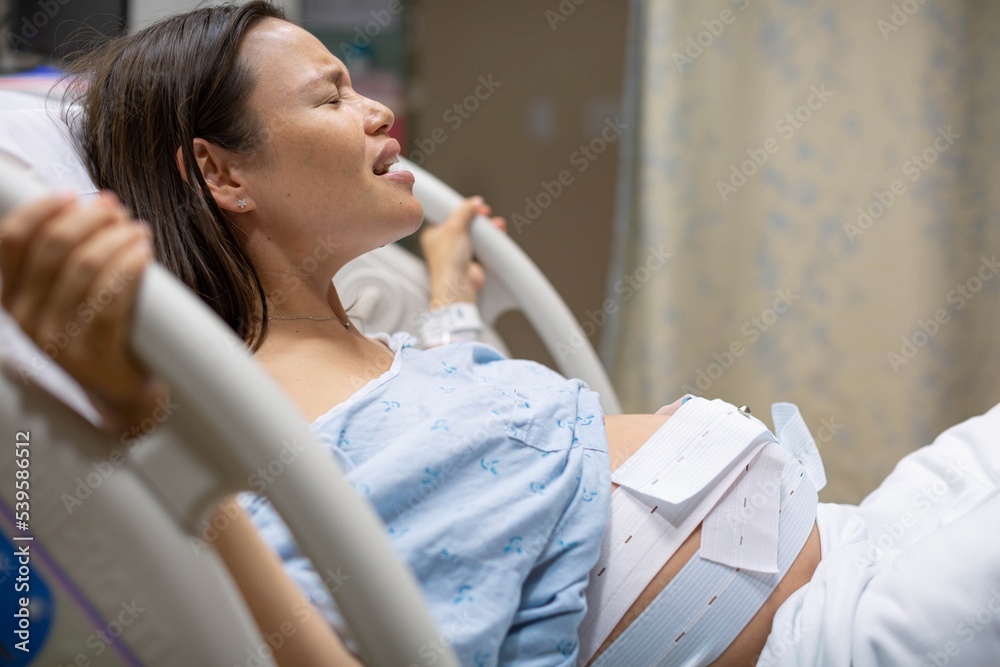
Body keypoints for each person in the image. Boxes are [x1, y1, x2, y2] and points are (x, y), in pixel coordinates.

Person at [1, 3, 998, 666]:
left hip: (861, 526)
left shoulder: (373, 362)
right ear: (221, 174)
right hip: (821, 633)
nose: (380, 111)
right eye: (332, 95)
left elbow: (454, 439)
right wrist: (147, 432)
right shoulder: (253, 441)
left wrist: (448, 293)